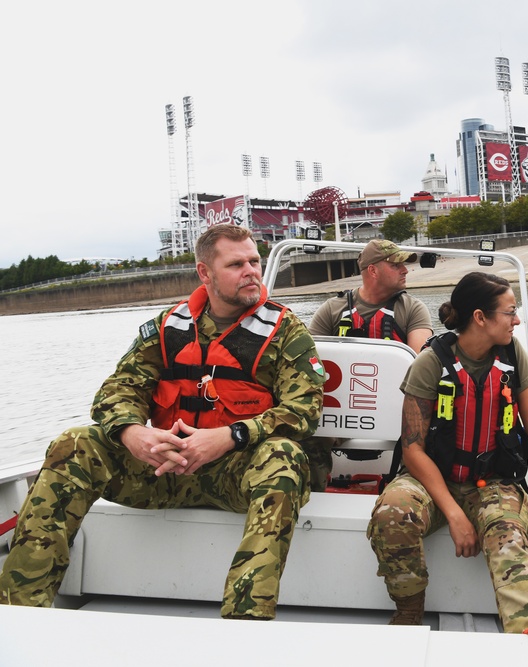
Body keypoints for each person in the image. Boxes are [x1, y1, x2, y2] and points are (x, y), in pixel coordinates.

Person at [0, 224, 324, 620]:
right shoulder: (170, 326)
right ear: (205, 273)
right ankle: (18, 614)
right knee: (75, 443)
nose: (252, 271)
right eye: (236, 263)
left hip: (236, 472)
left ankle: (245, 624)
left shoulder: (285, 330)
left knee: (284, 458)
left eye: (254, 261)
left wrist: (229, 436)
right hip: (163, 470)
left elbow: (305, 409)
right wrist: (133, 433)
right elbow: (117, 390)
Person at [367, 271, 528, 632]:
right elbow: (413, 450)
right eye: (510, 312)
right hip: (432, 481)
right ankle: (408, 609)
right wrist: (454, 514)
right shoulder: (431, 364)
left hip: (494, 482)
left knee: (509, 540)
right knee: (392, 514)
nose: (517, 320)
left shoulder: (513, 356)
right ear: (480, 318)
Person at [305, 239, 432, 491]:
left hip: (397, 411)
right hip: (341, 414)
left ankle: (410, 490)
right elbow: (308, 361)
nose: (406, 270)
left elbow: (421, 364)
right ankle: (313, 494)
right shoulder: (332, 310)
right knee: (307, 431)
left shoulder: (413, 309)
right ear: (373, 270)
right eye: (397, 265)